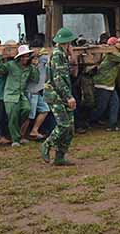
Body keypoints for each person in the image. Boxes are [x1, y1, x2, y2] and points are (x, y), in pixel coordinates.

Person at [41, 27, 79, 166]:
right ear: (68, 43)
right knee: (64, 125)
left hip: (61, 94)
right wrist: (69, 97)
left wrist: (72, 57)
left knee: (70, 128)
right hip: (55, 95)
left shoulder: (62, 55)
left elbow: (71, 74)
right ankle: (47, 144)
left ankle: (60, 156)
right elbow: (58, 78)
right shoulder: (57, 55)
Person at [0, 44, 40, 146]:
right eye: (23, 56)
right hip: (10, 95)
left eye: (27, 56)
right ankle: (15, 140)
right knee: (13, 116)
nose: (25, 58)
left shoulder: (29, 68)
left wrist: (35, 66)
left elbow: (36, 79)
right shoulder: (11, 65)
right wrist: (0, 56)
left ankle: (16, 133)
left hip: (21, 95)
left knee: (27, 109)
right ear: (19, 57)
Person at [88, 37, 120, 131]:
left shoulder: (108, 53)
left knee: (115, 104)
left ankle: (112, 125)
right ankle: (88, 121)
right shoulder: (112, 55)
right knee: (101, 108)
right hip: (103, 84)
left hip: (109, 84)